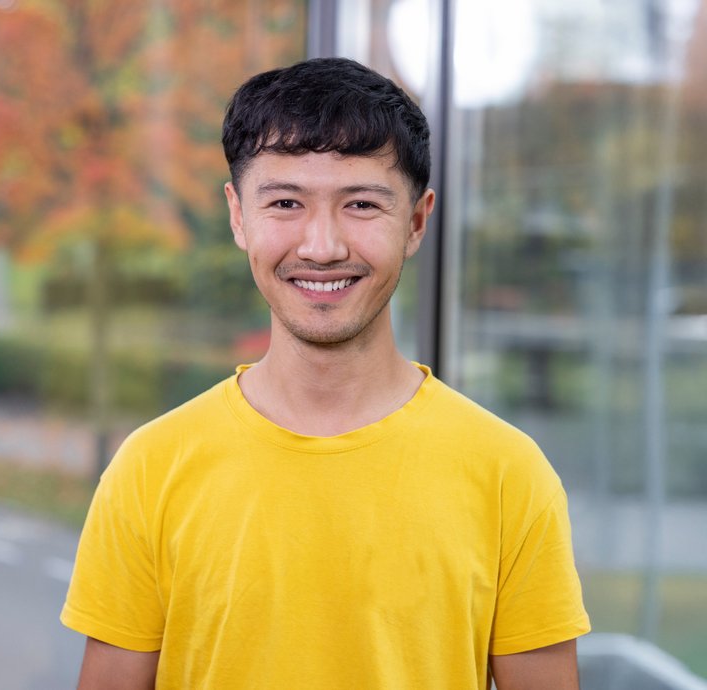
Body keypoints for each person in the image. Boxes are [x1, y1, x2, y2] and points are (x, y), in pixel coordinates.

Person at [61, 57, 590, 689]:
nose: (321, 246)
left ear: (417, 221)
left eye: (361, 204)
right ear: (237, 215)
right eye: (285, 202)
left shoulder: (509, 475)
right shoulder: (150, 469)